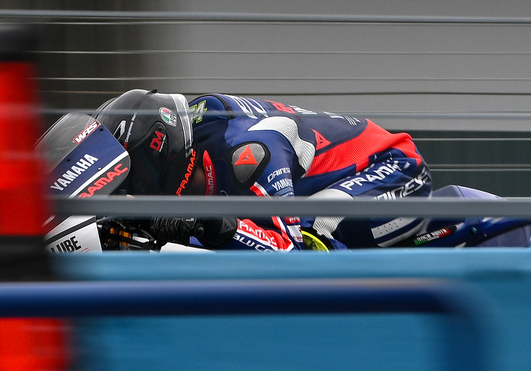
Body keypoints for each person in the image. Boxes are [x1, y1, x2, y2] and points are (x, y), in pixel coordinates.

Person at [93, 88, 433, 252]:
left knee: (315, 235)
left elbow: (288, 252)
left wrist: (204, 224)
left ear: (159, 155)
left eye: (131, 179)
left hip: (393, 167)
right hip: (327, 179)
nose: (129, 191)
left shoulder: (249, 153)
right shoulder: (195, 134)